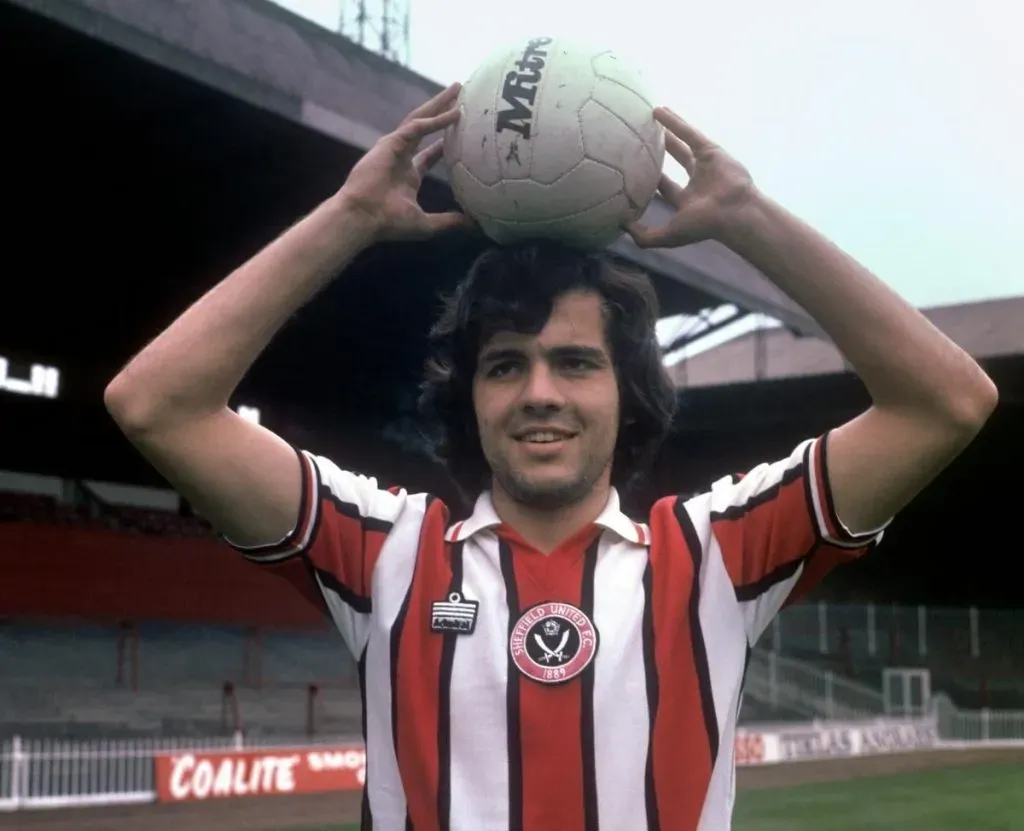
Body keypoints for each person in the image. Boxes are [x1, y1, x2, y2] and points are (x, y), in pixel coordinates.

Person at [105, 82, 997, 830]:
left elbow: (948, 401)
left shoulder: (717, 551)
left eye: (575, 362)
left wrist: (748, 219)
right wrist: (348, 217)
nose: (540, 392)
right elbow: (156, 405)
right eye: (505, 365)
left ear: (627, 392)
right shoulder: (383, 551)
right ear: (470, 397)